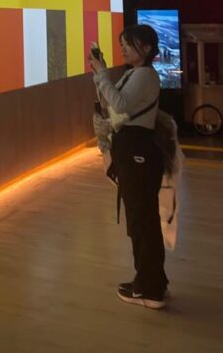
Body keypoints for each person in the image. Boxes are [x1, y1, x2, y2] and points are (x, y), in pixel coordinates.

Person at [90, 24, 169, 309]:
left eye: (128, 43)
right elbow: (113, 104)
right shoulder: (135, 74)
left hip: (138, 152)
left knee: (141, 220)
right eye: (121, 43)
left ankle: (149, 289)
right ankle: (151, 282)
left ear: (146, 47)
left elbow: (120, 104)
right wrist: (100, 76)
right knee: (141, 219)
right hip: (132, 150)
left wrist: (102, 73)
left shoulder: (145, 75)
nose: (122, 48)